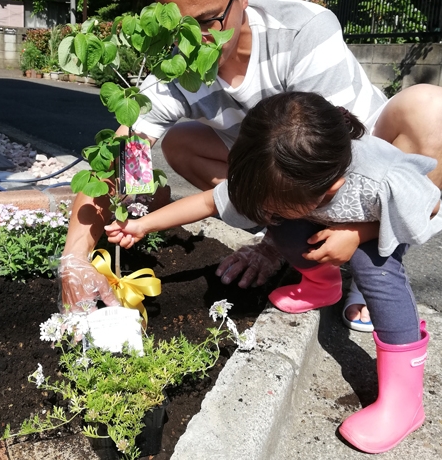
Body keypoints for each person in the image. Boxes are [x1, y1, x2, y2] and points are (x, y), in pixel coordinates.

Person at [60, 0, 442, 325]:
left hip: (359, 161)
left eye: (209, 21)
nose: (194, 44)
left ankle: (370, 256)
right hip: (277, 168)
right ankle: (284, 238)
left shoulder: (301, 33)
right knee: (180, 144)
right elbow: (123, 160)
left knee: (430, 109)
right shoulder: (175, 68)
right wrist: (74, 257)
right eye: (177, 30)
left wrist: (358, 233)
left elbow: (334, 159)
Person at [105, 91, 440, 453]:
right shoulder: (275, 168)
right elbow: (206, 202)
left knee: (376, 270)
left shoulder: (379, 178)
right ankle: (320, 283)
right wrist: (143, 225)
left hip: (377, 222)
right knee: (278, 221)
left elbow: (430, 209)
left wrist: (357, 233)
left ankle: (405, 402)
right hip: (311, 200)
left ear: (330, 189)